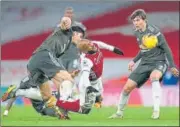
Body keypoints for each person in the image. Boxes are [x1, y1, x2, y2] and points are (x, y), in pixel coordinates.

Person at [1, 16, 84, 119]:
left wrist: (68, 75)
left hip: (34, 62)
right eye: (81, 37)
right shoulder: (67, 33)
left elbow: (55, 65)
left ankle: (17, 92)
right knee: (68, 81)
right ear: (75, 34)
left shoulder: (66, 46)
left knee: (47, 97)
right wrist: (66, 20)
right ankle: (68, 104)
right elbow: (65, 22)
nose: (81, 40)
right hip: (44, 55)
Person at [108, 9, 179, 120]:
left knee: (154, 77)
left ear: (144, 20)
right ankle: (119, 113)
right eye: (134, 21)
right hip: (145, 62)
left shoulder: (155, 32)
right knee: (127, 88)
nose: (135, 23)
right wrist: (134, 61)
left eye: (137, 20)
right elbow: (143, 50)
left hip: (159, 62)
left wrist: (172, 65)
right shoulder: (137, 32)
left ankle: (156, 111)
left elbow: (166, 49)